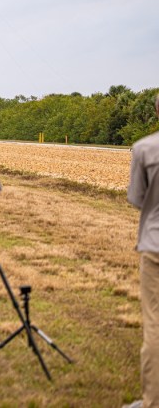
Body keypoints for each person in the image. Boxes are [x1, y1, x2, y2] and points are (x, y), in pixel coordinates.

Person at [126, 93, 159, 408]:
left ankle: (153, 401)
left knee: (154, 323)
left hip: (154, 244)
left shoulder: (145, 148)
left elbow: (137, 199)